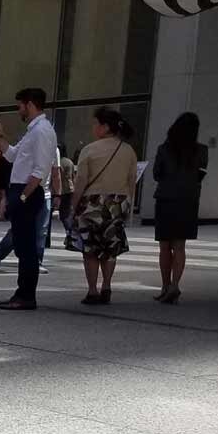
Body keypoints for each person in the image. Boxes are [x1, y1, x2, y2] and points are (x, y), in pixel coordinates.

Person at [0, 88, 59, 312]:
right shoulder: (34, 131)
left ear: (30, 104)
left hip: (28, 192)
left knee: (27, 247)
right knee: (23, 245)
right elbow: (11, 155)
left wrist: (22, 196)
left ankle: (26, 295)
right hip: (23, 191)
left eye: (20, 105)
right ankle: (22, 294)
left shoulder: (41, 131)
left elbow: (40, 171)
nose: (18, 110)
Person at [70, 107, 138, 306]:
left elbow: (81, 180)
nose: (93, 127)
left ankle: (92, 290)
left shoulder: (89, 150)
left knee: (90, 249)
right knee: (110, 248)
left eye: (95, 123)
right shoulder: (128, 150)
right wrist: (128, 207)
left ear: (105, 126)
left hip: (92, 203)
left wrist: (73, 205)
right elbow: (132, 180)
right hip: (118, 203)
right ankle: (106, 285)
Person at [151, 112, 209, 304]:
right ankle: (175, 284)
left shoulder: (164, 149)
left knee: (164, 246)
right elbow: (201, 174)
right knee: (180, 246)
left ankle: (165, 286)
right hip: (188, 201)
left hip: (166, 199)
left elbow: (156, 174)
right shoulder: (201, 151)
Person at [56, 144, 77, 250]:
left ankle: (71, 234)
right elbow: (73, 176)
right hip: (70, 188)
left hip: (62, 190)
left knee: (64, 215)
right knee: (67, 212)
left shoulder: (59, 162)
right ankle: (71, 235)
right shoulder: (69, 161)